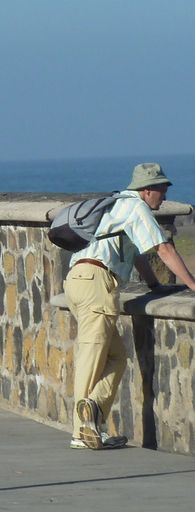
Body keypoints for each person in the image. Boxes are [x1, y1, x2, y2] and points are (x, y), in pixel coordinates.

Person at [65, 162, 195, 450]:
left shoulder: (115, 204)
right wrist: (193, 285)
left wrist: (153, 285)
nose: (164, 197)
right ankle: (81, 431)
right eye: (161, 191)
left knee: (116, 358)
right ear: (146, 191)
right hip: (96, 283)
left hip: (77, 279)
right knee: (91, 357)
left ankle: (92, 421)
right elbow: (163, 248)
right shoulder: (136, 208)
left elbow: (135, 254)